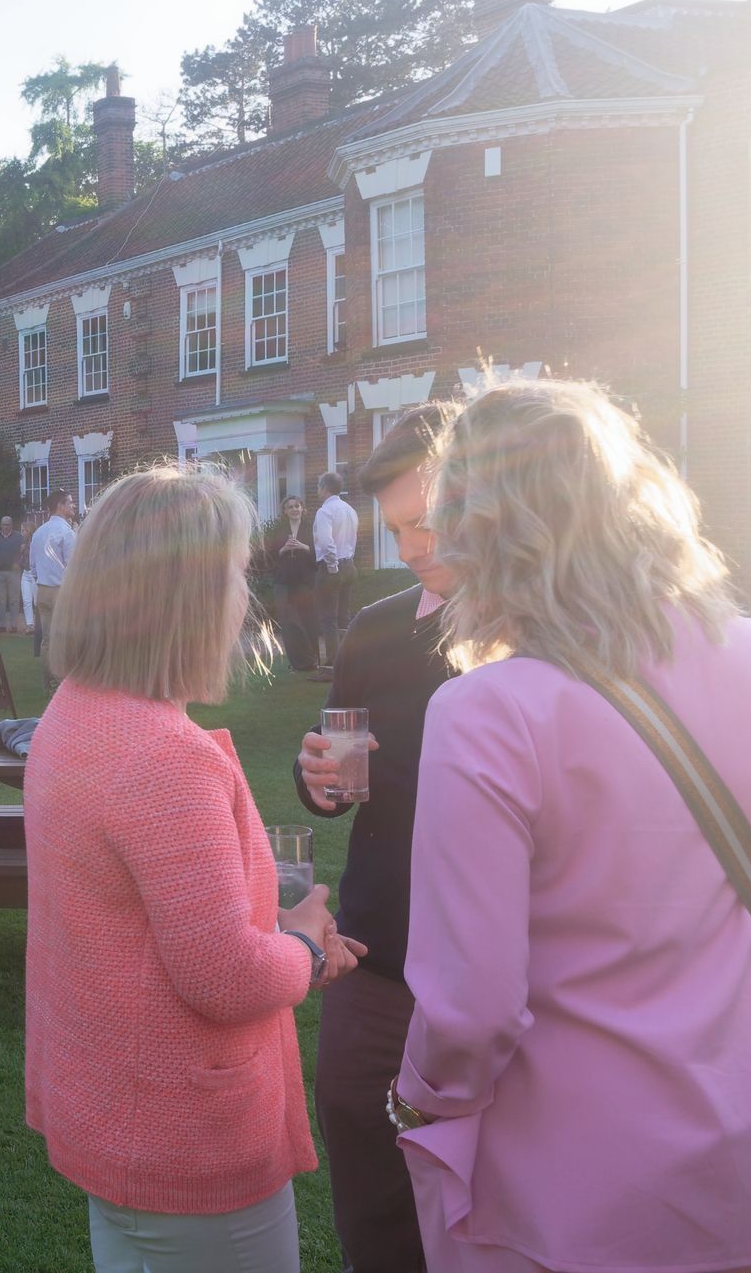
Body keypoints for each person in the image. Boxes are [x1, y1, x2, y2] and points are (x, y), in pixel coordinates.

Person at [394, 378, 751, 1271]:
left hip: (578, 1183)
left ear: (478, 532)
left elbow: (470, 1005)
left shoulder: (491, 711)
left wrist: (419, 1098)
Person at [24, 465, 362, 1272]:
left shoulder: (74, 711)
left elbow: (153, 920)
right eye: (238, 573)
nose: (246, 595)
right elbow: (225, 976)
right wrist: (306, 948)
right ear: (192, 593)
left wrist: (279, 931)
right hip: (184, 1138)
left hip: (119, 1110)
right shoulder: (161, 755)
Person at [292, 406, 455, 1273]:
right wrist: (316, 780)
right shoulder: (381, 627)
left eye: (428, 519)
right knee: (374, 1204)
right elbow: (334, 760)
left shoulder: (548, 637)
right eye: (398, 529)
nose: (415, 545)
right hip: (378, 959)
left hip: (507, 974)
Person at [311, 470, 360, 680]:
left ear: (324, 488)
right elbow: (352, 539)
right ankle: (349, 662)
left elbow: (326, 541)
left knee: (328, 618)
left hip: (332, 568)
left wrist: (331, 566)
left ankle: (332, 667)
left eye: (318, 487)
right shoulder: (350, 510)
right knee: (343, 617)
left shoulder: (325, 511)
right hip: (349, 565)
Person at [264, 495, 318, 673]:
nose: (294, 509)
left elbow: (320, 555)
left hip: (304, 581)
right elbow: (268, 555)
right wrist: (283, 550)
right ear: (285, 511)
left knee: (307, 620)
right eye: (290, 507)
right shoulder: (279, 530)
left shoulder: (311, 528)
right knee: (288, 622)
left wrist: (304, 547)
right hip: (284, 581)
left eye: (297, 506)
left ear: (302, 508)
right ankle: (297, 663)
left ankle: (313, 660)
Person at [29, 490, 77, 687]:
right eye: (70, 503)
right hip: (61, 590)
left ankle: (48, 681)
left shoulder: (39, 532)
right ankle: (62, 681)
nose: (73, 506)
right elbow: (74, 565)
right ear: (60, 505)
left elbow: (32, 565)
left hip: (42, 589)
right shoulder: (66, 532)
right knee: (64, 637)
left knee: (47, 638)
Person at [0, 515, 25, 634]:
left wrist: (18, 563)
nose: (6, 527)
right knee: (0, 600)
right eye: (4, 524)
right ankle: (1, 624)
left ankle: (14, 625)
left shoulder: (19, 537)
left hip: (14, 572)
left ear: (12, 525)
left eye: (8, 524)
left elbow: (23, 552)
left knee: (14, 599)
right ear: (0, 525)